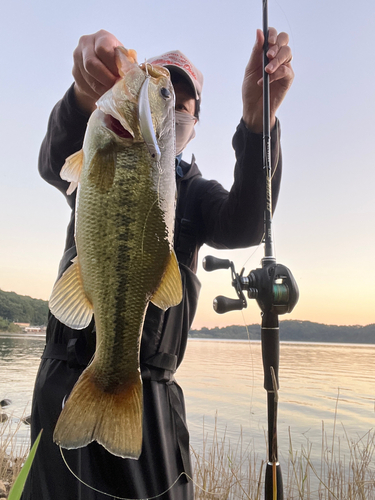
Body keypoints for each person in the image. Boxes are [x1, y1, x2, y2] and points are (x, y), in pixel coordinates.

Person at [22, 28, 294, 500]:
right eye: (165, 86)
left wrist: (258, 121)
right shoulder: (103, 143)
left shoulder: (195, 194)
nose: (174, 102)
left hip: (148, 399)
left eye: (184, 101)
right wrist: (82, 96)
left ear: (190, 124)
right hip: (65, 380)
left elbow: (248, 223)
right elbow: (54, 162)